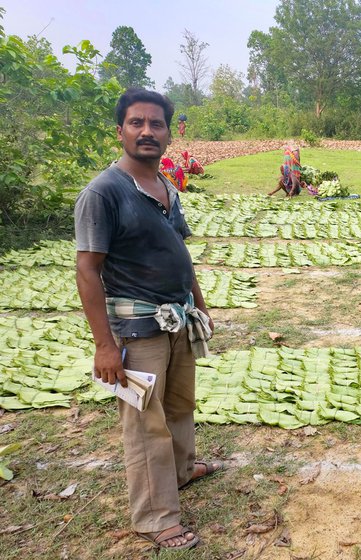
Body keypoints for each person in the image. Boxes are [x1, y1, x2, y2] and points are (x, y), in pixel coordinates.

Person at [74, 88, 222, 551]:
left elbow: (181, 254)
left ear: (167, 134)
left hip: (177, 318)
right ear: (120, 131)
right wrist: (104, 345)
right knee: (144, 422)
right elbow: (87, 269)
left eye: (156, 124)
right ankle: (156, 517)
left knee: (179, 404)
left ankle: (180, 471)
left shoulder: (165, 187)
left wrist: (199, 304)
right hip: (137, 327)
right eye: (136, 123)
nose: (146, 131)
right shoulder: (104, 192)